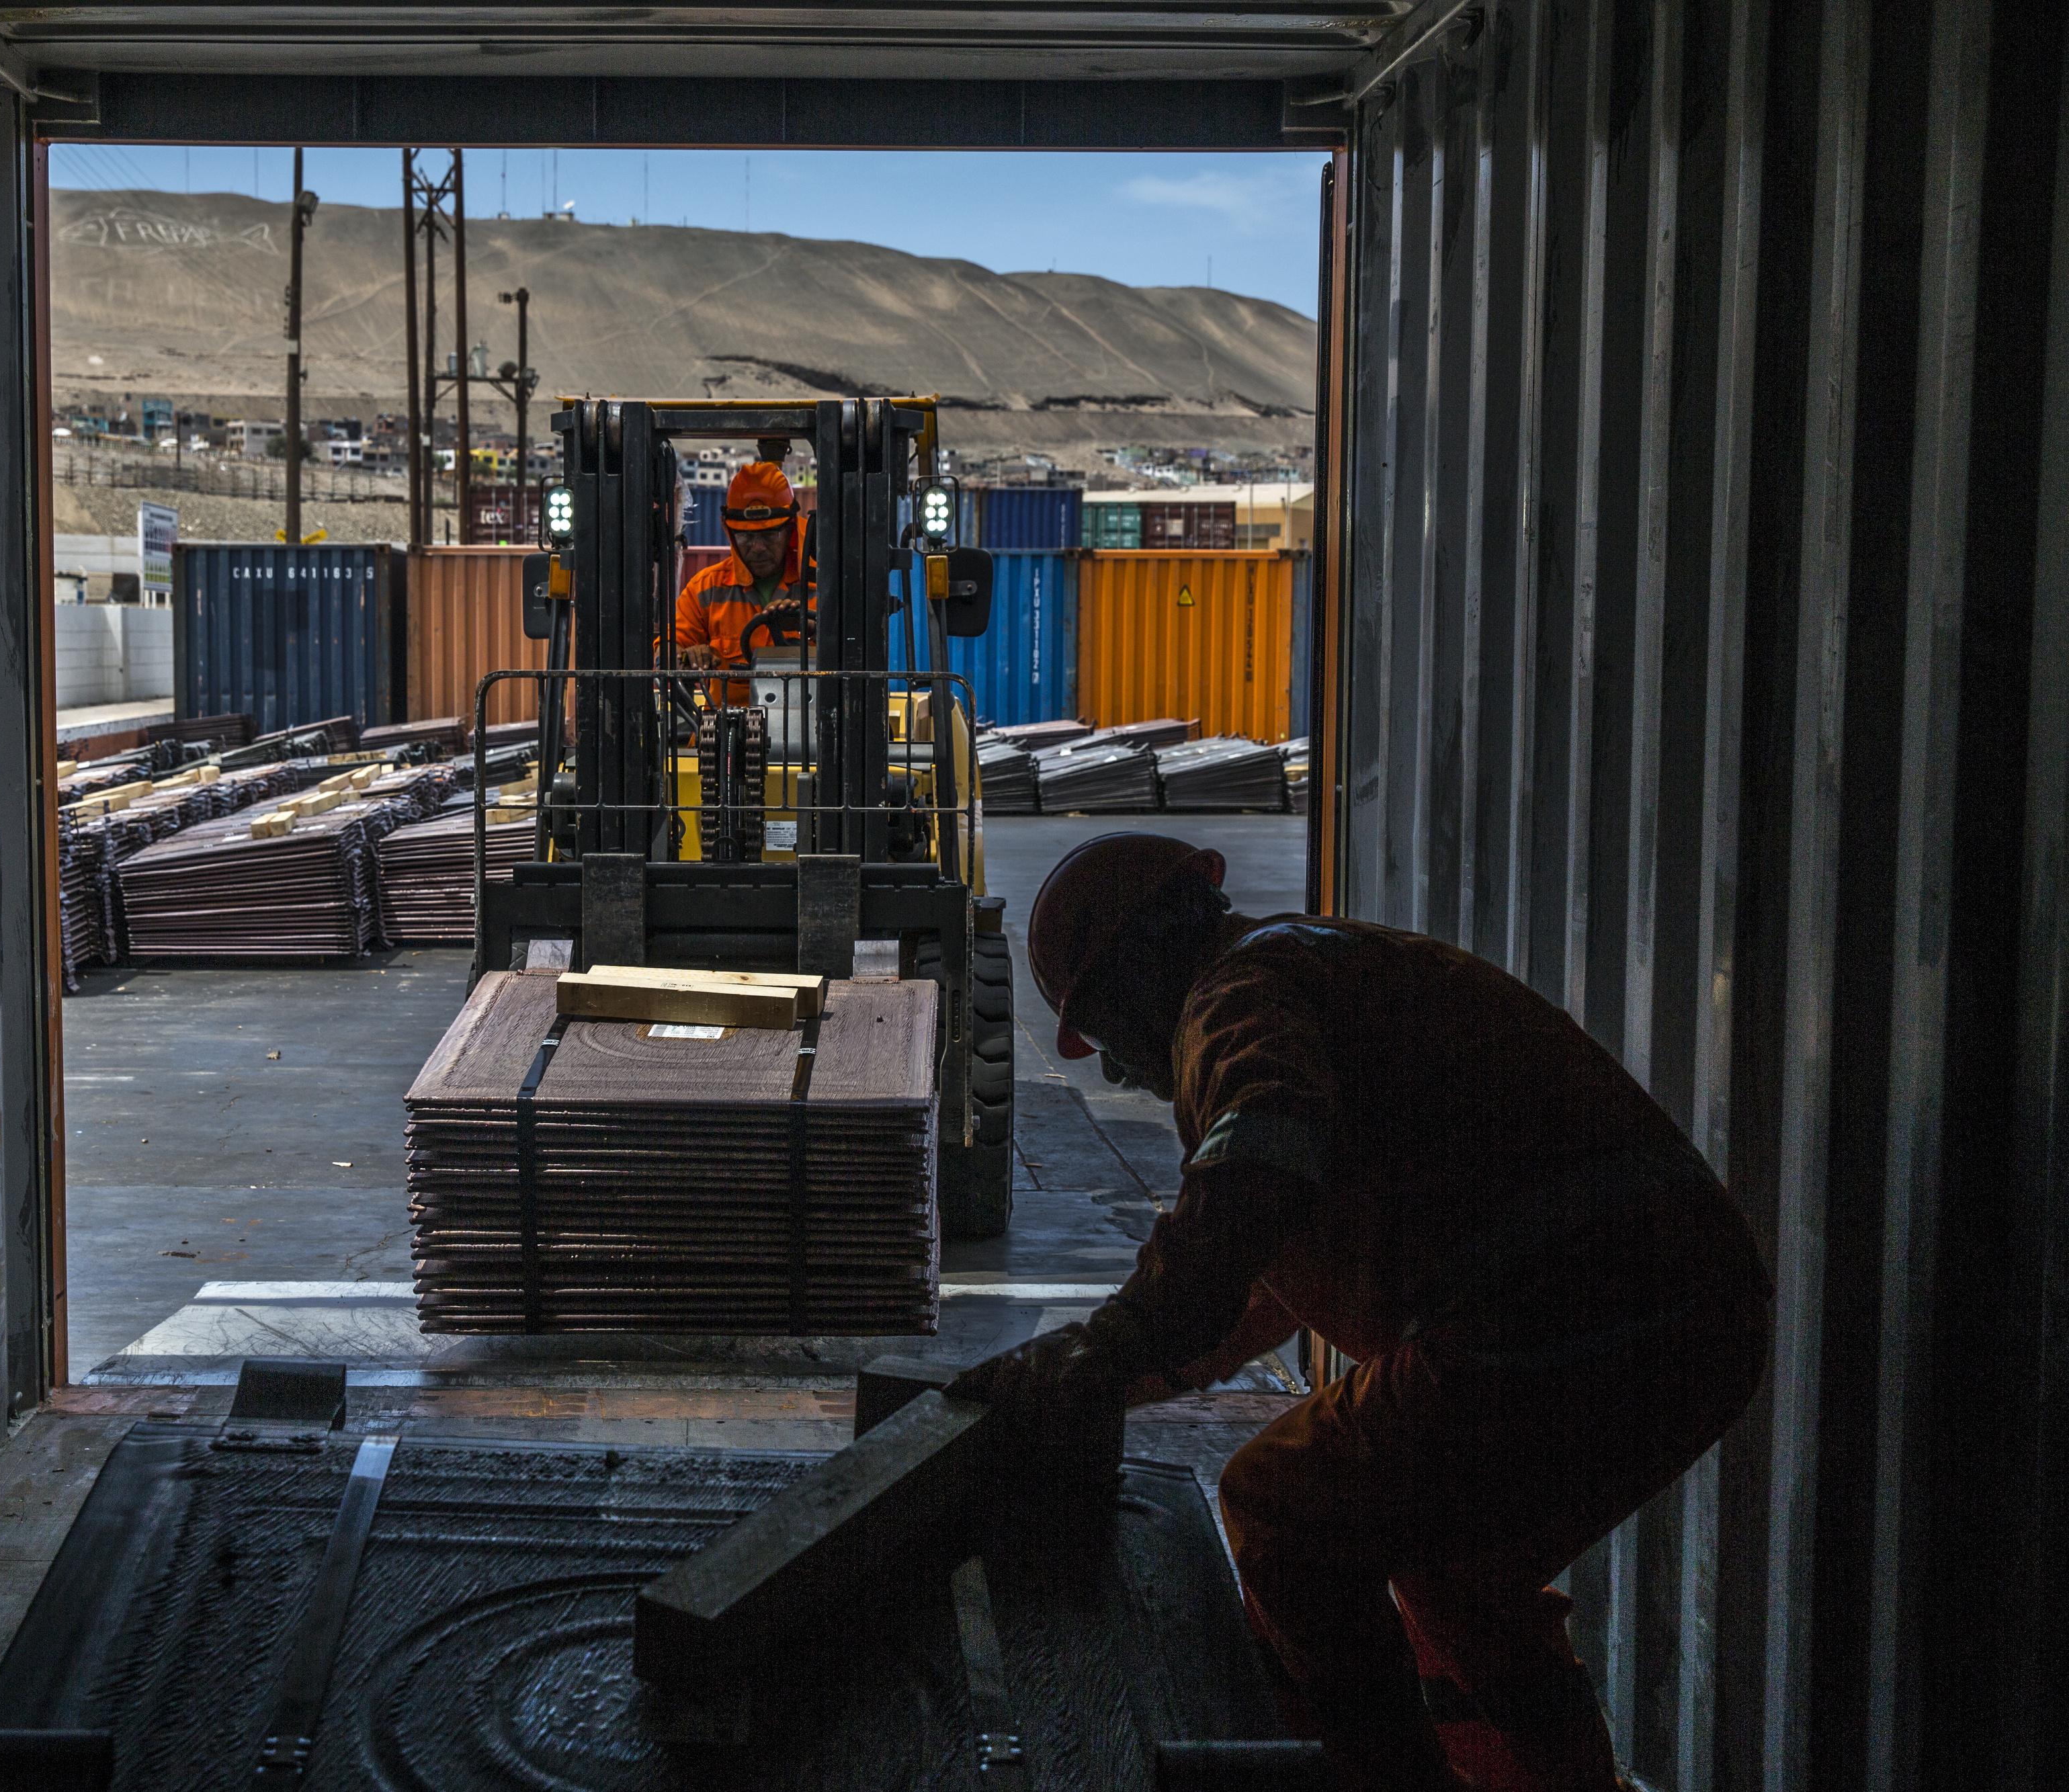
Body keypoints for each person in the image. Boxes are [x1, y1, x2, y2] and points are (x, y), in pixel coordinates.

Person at [949, 833, 1771, 1792]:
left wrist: (1114, 1338)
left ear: (1134, 971)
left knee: (1284, 1506)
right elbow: (1261, 1285)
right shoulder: (1327, 969)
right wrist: (1093, 1375)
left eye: (1110, 1039)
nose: (1130, 1071)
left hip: (1571, 1312)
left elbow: (1258, 1158)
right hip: (1687, 1313)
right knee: (1453, 1570)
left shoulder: (1234, 998)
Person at [674, 459, 806, 689]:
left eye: (769, 534)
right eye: (745, 536)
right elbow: (666, 651)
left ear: (791, 529)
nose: (758, 547)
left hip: (805, 721)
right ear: (730, 531)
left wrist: (817, 631)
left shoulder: (822, 586)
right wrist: (687, 657)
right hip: (723, 723)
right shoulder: (706, 589)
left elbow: (853, 650)